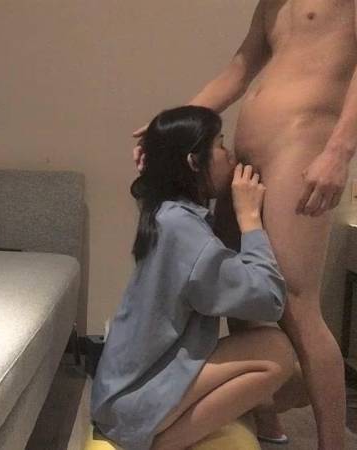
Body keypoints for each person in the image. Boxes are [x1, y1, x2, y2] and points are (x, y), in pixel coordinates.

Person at [132, 2, 354, 447]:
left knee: (295, 303)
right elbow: (238, 71)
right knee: (240, 293)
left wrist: (339, 151)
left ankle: (333, 443)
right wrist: (164, 133)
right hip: (250, 152)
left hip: (300, 147)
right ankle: (267, 420)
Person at [93, 105, 308, 450]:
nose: (230, 155)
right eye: (220, 145)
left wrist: (157, 152)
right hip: (133, 402)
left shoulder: (165, 212)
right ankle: (160, 444)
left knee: (287, 373)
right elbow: (269, 300)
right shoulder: (184, 231)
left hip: (118, 393)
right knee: (276, 351)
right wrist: (250, 219)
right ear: (194, 162)